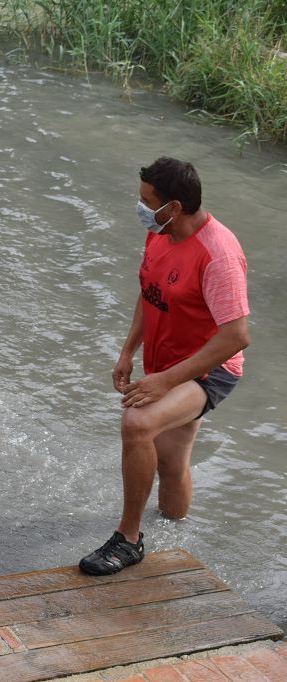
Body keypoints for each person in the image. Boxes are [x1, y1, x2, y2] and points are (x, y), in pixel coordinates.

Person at [79, 157, 250, 576]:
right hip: (165, 359)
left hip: (209, 368)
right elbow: (149, 292)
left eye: (145, 201)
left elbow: (235, 336)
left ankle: (129, 540)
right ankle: (178, 538)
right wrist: (127, 352)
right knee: (171, 461)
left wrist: (165, 382)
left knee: (138, 424)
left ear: (173, 206)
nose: (139, 208)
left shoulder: (219, 255)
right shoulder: (160, 234)